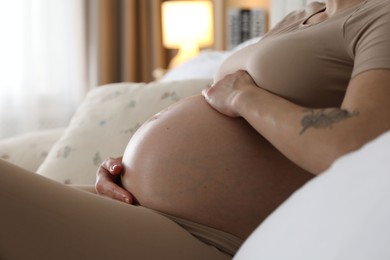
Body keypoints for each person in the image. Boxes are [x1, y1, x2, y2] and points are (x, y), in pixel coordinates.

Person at [1, 0, 389, 259]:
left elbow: (355, 144)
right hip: (144, 209)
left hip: (205, 235)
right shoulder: (301, 17)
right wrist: (131, 169)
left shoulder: (381, 16)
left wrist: (244, 99)